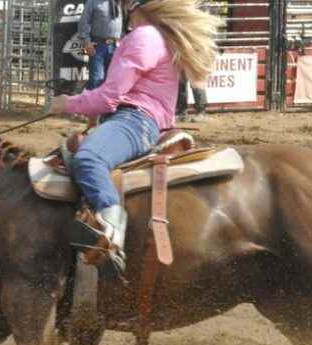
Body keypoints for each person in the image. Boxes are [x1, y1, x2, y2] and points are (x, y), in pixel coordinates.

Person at [50, 0, 220, 274]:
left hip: (135, 120)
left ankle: (110, 232)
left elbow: (108, 98)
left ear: (131, 4)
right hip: (143, 119)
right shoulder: (155, 36)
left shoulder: (144, 37)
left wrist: (67, 103)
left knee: (89, 158)